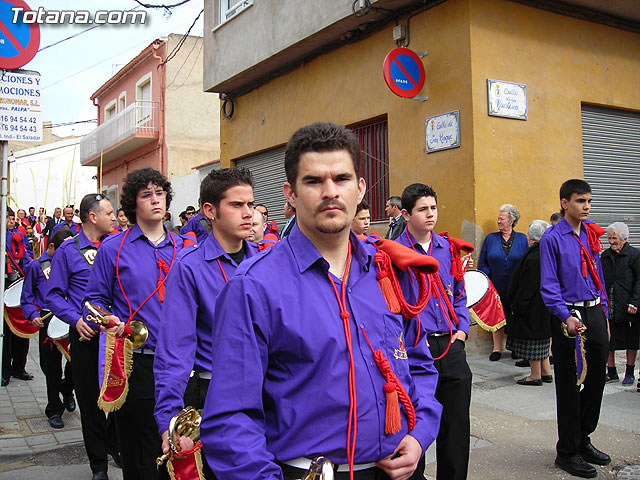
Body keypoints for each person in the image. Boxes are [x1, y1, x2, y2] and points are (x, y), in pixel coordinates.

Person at [201, 122, 442, 480]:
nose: (330, 192)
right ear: (291, 193)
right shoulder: (253, 286)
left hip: (401, 469)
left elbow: (418, 364)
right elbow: (230, 418)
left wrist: (420, 433)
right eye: (313, 181)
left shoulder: (387, 272)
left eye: (342, 179)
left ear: (360, 189)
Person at [84, 168, 193, 480]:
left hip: (181, 364)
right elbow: (92, 300)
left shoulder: (186, 248)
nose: (155, 199)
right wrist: (108, 320)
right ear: (133, 203)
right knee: (139, 454)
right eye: (146, 194)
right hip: (136, 364)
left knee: (182, 451)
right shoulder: (112, 248)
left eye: (159, 193)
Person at [154, 167, 258, 478]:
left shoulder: (264, 262)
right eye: (236, 205)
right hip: (212, 394)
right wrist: (170, 419)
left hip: (262, 391)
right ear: (210, 211)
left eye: (250, 205)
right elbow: (174, 350)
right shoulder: (190, 268)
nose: (248, 213)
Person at [396, 183, 472, 480]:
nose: (431, 214)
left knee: (455, 427)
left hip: (450, 345)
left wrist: (462, 331)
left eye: (434, 208)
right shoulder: (396, 253)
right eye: (422, 209)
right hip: (416, 350)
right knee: (416, 425)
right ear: (405, 214)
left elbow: (460, 293)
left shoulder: (447, 249)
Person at [540, 179, 610, 478]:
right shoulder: (552, 238)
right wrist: (565, 316)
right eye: (581, 201)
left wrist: (604, 312)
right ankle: (567, 451)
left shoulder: (590, 234)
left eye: (589, 201)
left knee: (596, 380)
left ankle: (583, 439)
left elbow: (598, 275)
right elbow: (549, 286)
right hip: (569, 316)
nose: (586, 206)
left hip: (594, 311)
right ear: (564, 203)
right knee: (570, 385)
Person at [46, 194, 118, 480]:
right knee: (89, 403)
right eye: (109, 213)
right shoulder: (67, 250)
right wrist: (75, 320)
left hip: (117, 340)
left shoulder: (118, 245)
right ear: (92, 217)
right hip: (86, 338)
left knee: (121, 397)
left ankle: (114, 443)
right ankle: (98, 465)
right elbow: (53, 294)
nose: (115, 218)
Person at [20, 227, 76, 428]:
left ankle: (67, 388)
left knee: (74, 363)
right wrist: (33, 315)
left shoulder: (73, 263)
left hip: (70, 319)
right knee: (50, 368)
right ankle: (54, 407)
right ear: (52, 246)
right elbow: (26, 298)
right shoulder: (37, 266)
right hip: (47, 320)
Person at [478, 204, 528, 361]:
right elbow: (483, 261)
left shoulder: (521, 239)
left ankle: (514, 347)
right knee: (497, 316)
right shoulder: (491, 239)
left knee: (515, 316)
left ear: (511, 220)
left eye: (502, 218)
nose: (498, 221)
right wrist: (486, 278)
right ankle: (497, 348)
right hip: (495, 285)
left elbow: (526, 262)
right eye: (498, 218)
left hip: (516, 287)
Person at [506, 220, 553, 386]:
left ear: (532, 239)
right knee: (543, 341)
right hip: (544, 306)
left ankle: (535, 375)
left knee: (533, 341)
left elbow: (526, 287)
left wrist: (517, 306)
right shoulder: (546, 253)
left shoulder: (534, 257)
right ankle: (546, 372)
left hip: (533, 308)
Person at [601, 222, 640, 387]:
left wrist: (635, 301)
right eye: (609, 238)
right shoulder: (605, 256)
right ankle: (611, 371)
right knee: (610, 339)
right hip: (611, 303)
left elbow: (639, 280)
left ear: (624, 238)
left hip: (628, 304)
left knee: (631, 340)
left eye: (614, 238)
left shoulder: (634, 255)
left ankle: (630, 372)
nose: (611, 241)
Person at [2, 207, 34, 387]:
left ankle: (19, 367)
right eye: (8, 218)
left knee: (22, 328)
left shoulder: (19, 237)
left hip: (19, 285)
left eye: (13, 218)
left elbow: (27, 256)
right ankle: (4, 369)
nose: (12, 221)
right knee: (5, 332)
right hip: (4, 286)